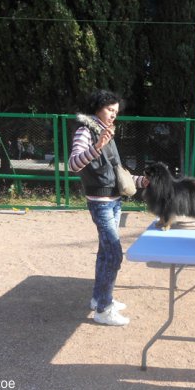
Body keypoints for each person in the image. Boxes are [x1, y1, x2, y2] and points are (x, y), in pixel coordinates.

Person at [69, 89, 148, 326]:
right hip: (101, 203)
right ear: (97, 108)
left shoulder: (106, 133)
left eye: (116, 111)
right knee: (114, 253)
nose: (113, 115)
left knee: (105, 253)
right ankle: (103, 310)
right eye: (109, 110)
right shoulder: (86, 131)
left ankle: (99, 299)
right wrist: (97, 146)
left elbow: (117, 172)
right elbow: (73, 164)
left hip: (114, 201)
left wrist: (142, 182)